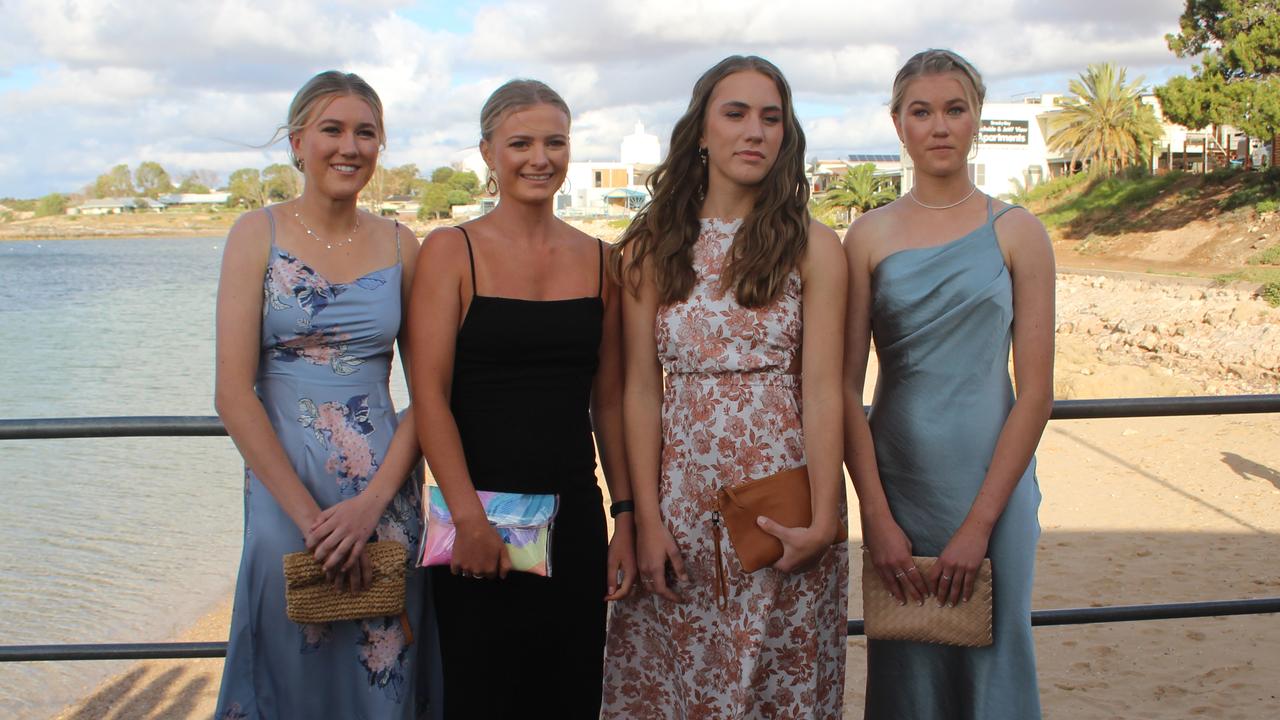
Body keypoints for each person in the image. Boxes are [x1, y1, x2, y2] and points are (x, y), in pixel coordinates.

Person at [601, 55, 849, 718]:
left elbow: (824, 388)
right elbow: (638, 392)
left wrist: (824, 521)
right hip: (680, 511)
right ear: (701, 133)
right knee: (685, 683)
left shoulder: (814, 247)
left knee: (778, 687)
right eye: (735, 114)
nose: (755, 131)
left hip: (785, 511)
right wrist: (645, 521)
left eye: (771, 118)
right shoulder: (650, 250)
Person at [407, 79, 634, 718]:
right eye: (521, 143)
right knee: (480, 695)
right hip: (474, 522)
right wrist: (470, 518)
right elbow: (429, 395)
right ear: (487, 153)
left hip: (575, 523)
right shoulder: (452, 251)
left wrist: (628, 517)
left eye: (555, 142)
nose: (540, 158)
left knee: (570, 693)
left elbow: (610, 404)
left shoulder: (601, 261)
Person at [843, 49, 1054, 719]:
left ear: (976, 119)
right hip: (899, 489)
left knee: (996, 655)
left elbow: (1038, 392)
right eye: (921, 111)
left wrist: (980, 523)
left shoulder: (1018, 231)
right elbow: (845, 391)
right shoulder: (867, 236)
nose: (939, 126)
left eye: (954, 109)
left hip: (994, 487)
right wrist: (875, 518)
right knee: (908, 669)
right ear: (898, 124)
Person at [214, 70, 431, 719]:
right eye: (332, 129)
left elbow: (429, 395)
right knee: (288, 658)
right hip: (286, 493)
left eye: (366, 132)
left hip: (384, 491)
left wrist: (371, 504)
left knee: (383, 661)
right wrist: (309, 518)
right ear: (299, 141)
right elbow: (232, 393)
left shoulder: (403, 245)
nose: (350, 146)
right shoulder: (257, 234)